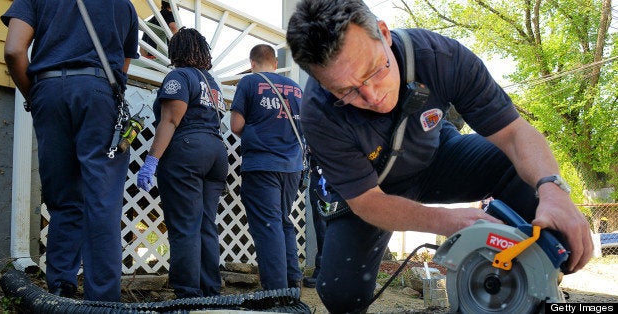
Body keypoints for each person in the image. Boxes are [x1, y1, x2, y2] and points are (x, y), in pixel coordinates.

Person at [286, 0, 593, 312]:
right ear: (324, 85)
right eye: (346, 91)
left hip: (436, 157)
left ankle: (524, 278)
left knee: (520, 169)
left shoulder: (440, 57)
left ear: (383, 33)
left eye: (374, 70)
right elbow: (367, 202)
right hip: (375, 191)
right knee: (340, 293)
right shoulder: (318, 112)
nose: (372, 95)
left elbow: (515, 134)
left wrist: (553, 189)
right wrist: (447, 221)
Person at [2, 0, 139, 301]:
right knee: (102, 201)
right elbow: (122, 68)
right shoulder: (126, 7)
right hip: (98, 93)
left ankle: (60, 289)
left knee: (63, 198)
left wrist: (34, 98)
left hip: (48, 92)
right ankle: (102, 301)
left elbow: (13, 51)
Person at [137, 27, 227, 298]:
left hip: (187, 151)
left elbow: (171, 120)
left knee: (185, 225)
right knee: (205, 223)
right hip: (216, 153)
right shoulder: (211, 83)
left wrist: (151, 160)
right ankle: (210, 289)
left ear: (177, 51)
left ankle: (188, 293)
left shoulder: (178, 77)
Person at [230, 44, 304, 290]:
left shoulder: (249, 83)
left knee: (268, 225)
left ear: (252, 63)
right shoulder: (296, 89)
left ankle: (275, 291)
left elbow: (236, 125)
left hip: (262, 165)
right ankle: (292, 281)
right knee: (283, 220)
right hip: (292, 166)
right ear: (274, 63)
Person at [302, 155, 327, 288]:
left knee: (323, 224)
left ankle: (323, 272)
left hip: (326, 174)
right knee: (323, 224)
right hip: (325, 173)